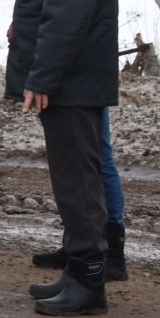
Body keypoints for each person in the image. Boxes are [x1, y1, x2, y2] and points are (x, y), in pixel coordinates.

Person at [9, 0, 122, 316]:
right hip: (70, 78)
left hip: (71, 81)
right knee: (77, 176)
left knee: (77, 179)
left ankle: (89, 283)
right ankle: (79, 271)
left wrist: (44, 77)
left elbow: (67, 13)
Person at [31, 108, 129, 283]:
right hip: (80, 87)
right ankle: (79, 247)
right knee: (77, 157)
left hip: (85, 87)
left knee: (97, 155)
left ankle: (112, 254)